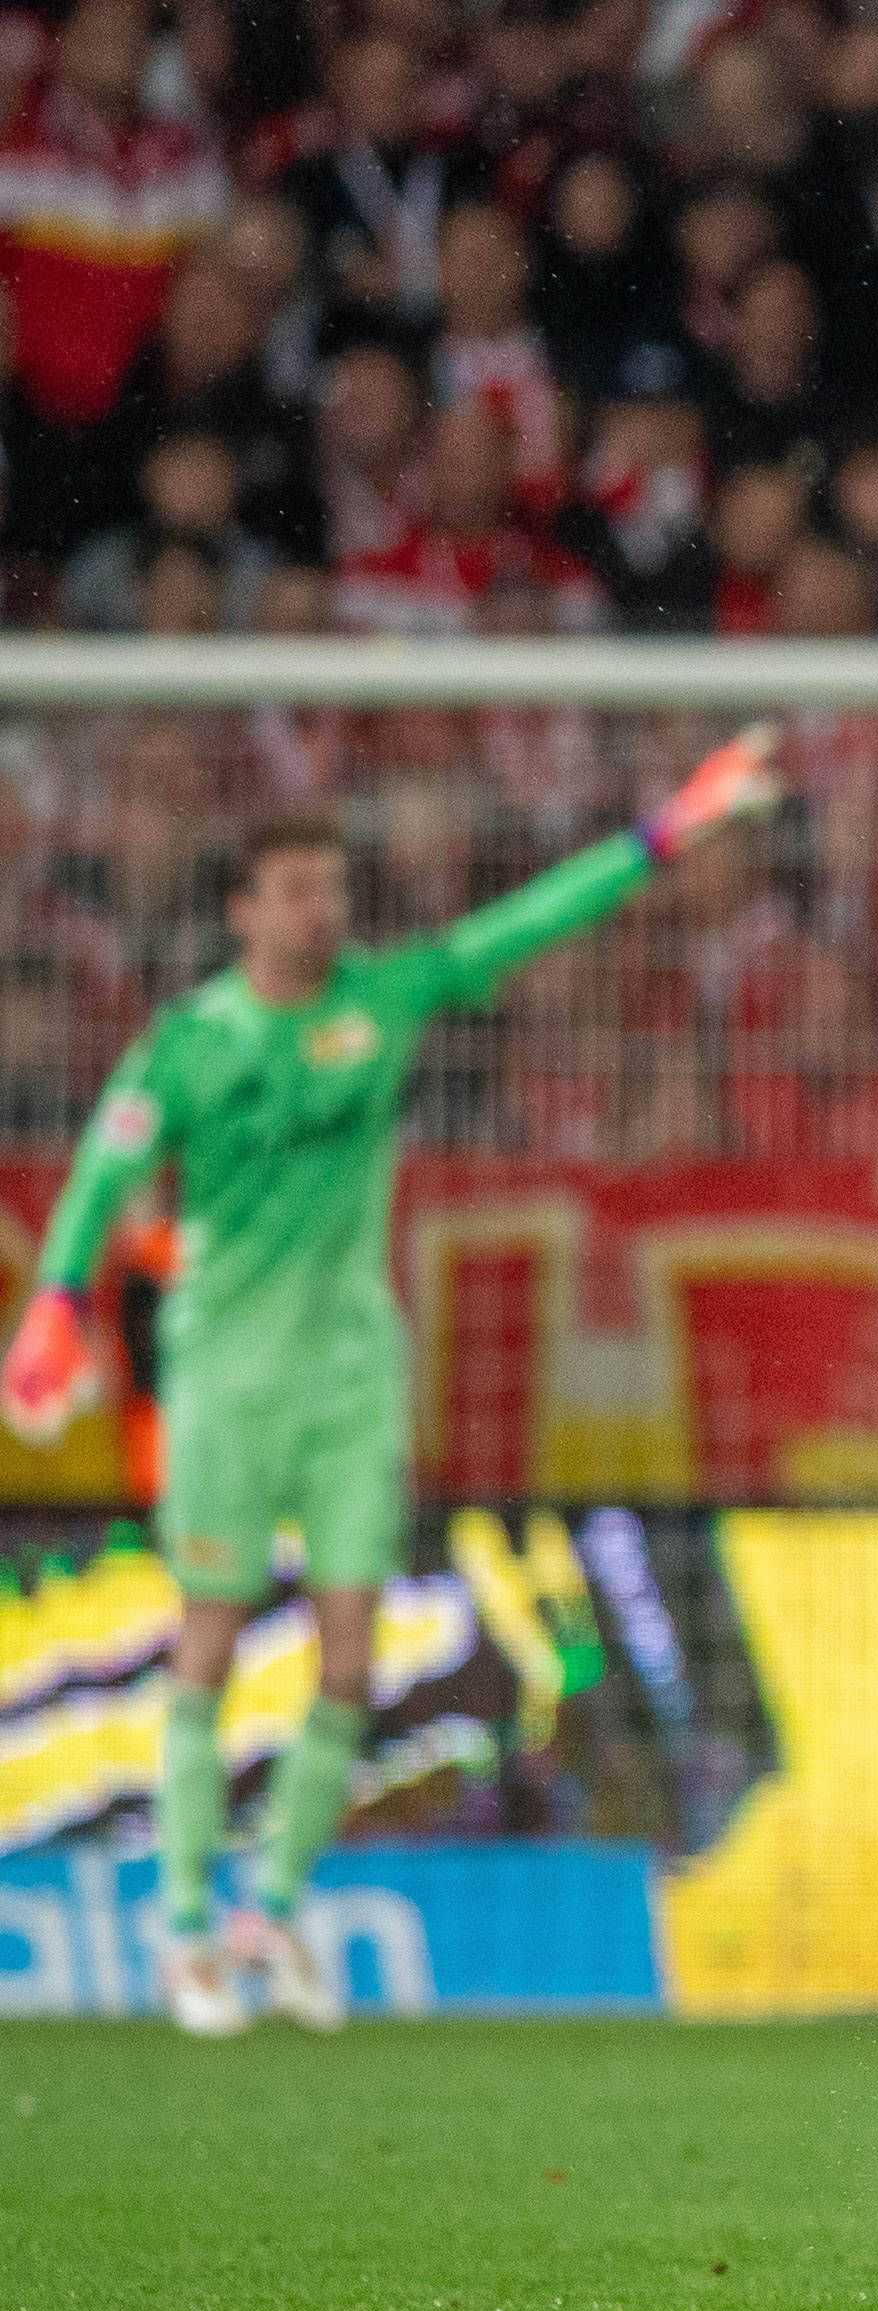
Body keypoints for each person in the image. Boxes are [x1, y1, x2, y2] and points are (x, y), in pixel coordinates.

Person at [0, 730, 786, 2036]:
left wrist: (662, 834)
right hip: (224, 1385)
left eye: (331, 887)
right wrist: (58, 1304)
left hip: (353, 1376)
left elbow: (525, 924)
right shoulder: (192, 1043)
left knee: (352, 1656)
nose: (321, 908)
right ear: (245, 910)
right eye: (296, 890)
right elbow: (98, 1168)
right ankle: (189, 1931)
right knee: (203, 1648)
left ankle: (276, 1909)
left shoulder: (386, 997)